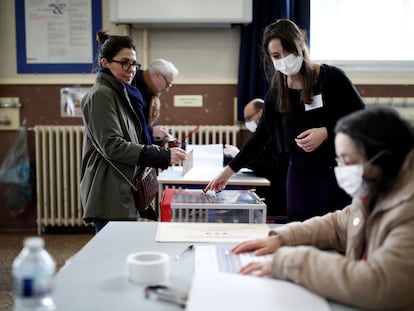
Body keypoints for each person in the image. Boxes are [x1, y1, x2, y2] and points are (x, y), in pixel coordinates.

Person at [232, 107, 414, 310]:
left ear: (383, 158)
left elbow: (380, 284)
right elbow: (338, 225)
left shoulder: (408, 210)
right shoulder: (378, 186)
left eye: (348, 161)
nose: (342, 169)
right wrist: (282, 237)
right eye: (339, 160)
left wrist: (292, 262)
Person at [205, 19, 365, 222]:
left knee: (333, 234)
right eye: (276, 56)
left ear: (300, 43)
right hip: (299, 176)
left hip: (334, 174)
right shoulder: (277, 92)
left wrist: (326, 131)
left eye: (287, 52)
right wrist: (228, 171)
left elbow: (362, 119)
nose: (284, 60)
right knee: (299, 234)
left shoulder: (332, 78)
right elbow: (260, 137)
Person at [80, 31, 187, 233]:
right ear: (105, 63)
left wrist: (160, 145)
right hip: (109, 190)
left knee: (120, 253)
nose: (131, 70)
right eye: (124, 63)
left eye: (134, 64)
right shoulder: (102, 95)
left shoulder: (123, 91)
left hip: (122, 187)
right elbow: (113, 146)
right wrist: (163, 155)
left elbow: (133, 137)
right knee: (113, 256)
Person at [243, 98, 289, 217]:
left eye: (249, 118)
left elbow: (267, 164)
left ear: (261, 112)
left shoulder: (276, 131)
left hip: (277, 188)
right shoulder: (265, 131)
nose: (247, 122)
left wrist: (242, 159)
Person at [133, 58, 179, 142]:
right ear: (158, 75)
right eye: (168, 84)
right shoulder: (134, 89)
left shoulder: (151, 91)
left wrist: (159, 131)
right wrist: (152, 131)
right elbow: (131, 127)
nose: (167, 89)